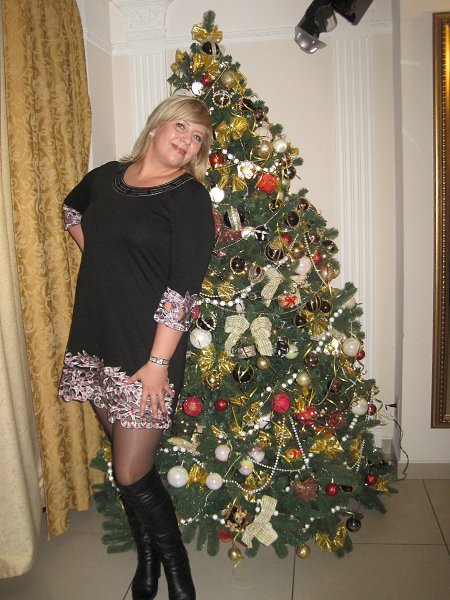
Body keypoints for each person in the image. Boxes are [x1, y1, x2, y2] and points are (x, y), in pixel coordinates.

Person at [59, 94, 215, 600]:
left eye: (197, 137)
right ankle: (147, 562)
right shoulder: (107, 177)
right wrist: (98, 255)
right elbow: (70, 207)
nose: (187, 140)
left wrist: (157, 364)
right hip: (97, 332)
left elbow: (183, 291)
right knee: (126, 463)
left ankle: (179, 574)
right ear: (157, 125)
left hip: (147, 348)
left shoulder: (188, 198)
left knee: (130, 470)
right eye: (182, 127)